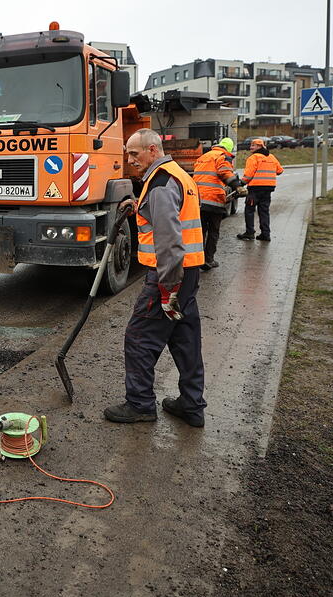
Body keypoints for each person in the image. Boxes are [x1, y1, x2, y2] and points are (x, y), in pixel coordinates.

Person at [104, 129, 206, 428]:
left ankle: (139, 404)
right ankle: (192, 404)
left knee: (139, 338)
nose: (130, 159)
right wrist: (138, 206)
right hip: (186, 274)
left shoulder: (161, 183)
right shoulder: (175, 175)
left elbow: (169, 239)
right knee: (184, 338)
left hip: (169, 276)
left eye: (134, 153)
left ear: (152, 149)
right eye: (128, 153)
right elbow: (167, 214)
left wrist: (167, 288)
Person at [192, 138, 245, 270]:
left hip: (198, 200)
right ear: (228, 149)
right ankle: (208, 260)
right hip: (214, 200)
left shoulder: (203, 157)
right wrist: (238, 187)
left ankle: (197, 259)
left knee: (200, 231)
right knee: (213, 231)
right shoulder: (223, 156)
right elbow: (225, 172)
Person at [237, 138, 283, 242]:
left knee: (249, 210)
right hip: (268, 189)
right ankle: (265, 234)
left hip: (255, 189)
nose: (250, 147)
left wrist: (241, 183)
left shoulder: (253, 158)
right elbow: (280, 170)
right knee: (264, 211)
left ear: (259, 147)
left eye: (253, 145)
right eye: (251, 145)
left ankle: (250, 233)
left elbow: (249, 174)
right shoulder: (271, 157)